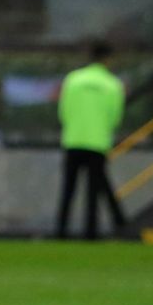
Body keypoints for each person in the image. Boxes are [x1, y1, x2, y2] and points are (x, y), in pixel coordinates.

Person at [54, 41, 127, 240]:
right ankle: (90, 233)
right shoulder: (113, 84)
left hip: (73, 140)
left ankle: (61, 231)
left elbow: (63, 111)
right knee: (93, 192)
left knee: (68, 189)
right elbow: (115, 116)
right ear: (108, 59)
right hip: (97, 142)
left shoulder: (73, 79)